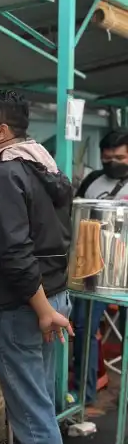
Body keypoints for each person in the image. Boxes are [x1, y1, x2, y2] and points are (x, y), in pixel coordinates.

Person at [0, 90, 74, 444]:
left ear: (0, 132)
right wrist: (49, 305)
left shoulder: (3, 172)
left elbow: (15, 251)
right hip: (51, 297)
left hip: (21, 308)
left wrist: (43, 311)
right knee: (40, 405)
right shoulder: (43, 165)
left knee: (32, 420)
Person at [71, 130, 128, 413]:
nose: (113, 162)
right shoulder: (94, 180)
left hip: (126, 268)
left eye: (120, 157)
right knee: (83, 328)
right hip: (94, 268)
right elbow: (77, 214)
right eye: (108, 158)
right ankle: (85, 394)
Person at [76, 130, 128, 200]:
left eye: (119, 158)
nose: (113, 162)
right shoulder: (92, 179)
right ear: (101, 156)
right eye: (107, 157)